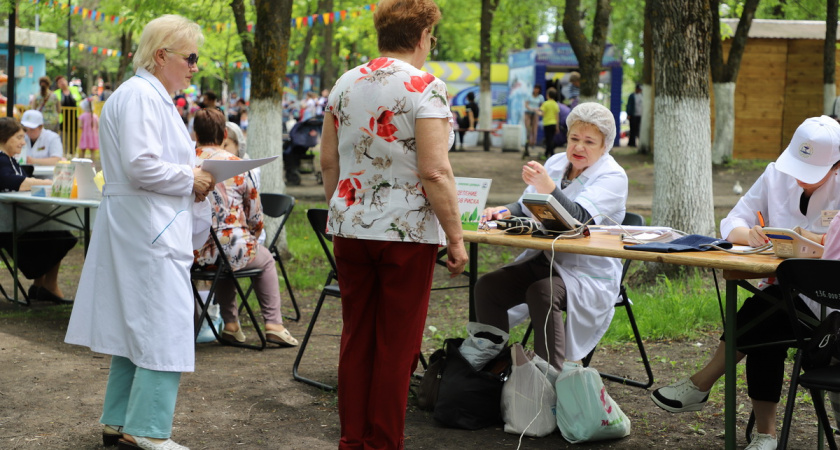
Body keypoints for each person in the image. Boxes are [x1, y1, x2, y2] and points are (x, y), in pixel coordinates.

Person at [320, 0, 468, 447]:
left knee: (356, 337)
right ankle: (383, 442)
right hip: (405, 234)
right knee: (397, 345)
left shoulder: (344, 84)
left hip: (350, 228)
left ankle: (352, 440)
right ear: (423, 36)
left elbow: (328, 160)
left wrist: (343, 210)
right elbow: (435, 170)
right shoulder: (427, 87)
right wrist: (457, 239)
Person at [64, 14, 215, 450]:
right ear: (161, 55)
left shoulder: (148, 96)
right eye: (189, 57)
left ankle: (118, 419)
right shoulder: (141, 97)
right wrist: (192, 177)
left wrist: (194, 181)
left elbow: (146, 164)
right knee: (162, 324)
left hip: (146, 221)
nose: (194, 66)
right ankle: (146, 428)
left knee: (138, 325)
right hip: (147, 225)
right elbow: (141, 164)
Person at [650, 115, 840, 450]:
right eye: (798, 167)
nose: (800, 179)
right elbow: (733, 221)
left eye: (812, 173)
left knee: (765, 314)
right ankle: (762, 434)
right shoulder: (775, 174)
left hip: (829, 304)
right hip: (782, 292)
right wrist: (748, 234)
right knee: (770, 315)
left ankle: (708, 386)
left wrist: (810, 238)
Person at [476, 102, 627, 371]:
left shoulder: (613, 176)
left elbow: (580, 219)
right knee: (488, 286)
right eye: (574, 139)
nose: (578, 148)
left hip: (587, 270)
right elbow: (524, 205)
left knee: (542, 292)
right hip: (545, 259)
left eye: (589, 141)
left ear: (605, 146)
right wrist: (502, 211)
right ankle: (491, 370)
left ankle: (550, 377)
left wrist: (549, 187)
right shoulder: (557, 162)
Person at [192, 108, 298, 347]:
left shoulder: (184, 165)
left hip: (192, 252)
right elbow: (255, 216)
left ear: (195, 134)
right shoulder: (238, 165)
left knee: (223, 260)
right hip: (232, 246)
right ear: (223, 134)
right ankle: (274, 324)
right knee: (264, 259)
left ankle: (231, 325)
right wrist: (254, 235)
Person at [0, 116, 77, 303]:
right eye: (18, 137)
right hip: (7, 226)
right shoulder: (1, 160)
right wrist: (50, 183)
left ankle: (42, 286)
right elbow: (16, 182)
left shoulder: (10, 160)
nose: (22, 142)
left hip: (18, 219)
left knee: (62, 234)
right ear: (4, 138)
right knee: (59, 236)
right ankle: (45, 286)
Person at [55, 75, 79, 156]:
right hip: (63, 119)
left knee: (74, 137)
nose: (62, 83)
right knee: (63, 136)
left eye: (63, 80)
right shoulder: (56, 93)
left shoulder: (74, 90)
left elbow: (79, 100)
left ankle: (73, 153)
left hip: (75, 118)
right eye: (59, 82)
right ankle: (64, 154)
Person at [540, 87, 560, 159]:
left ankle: (551, 155)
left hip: (547, 124)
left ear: (547, 95)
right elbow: (557, 116)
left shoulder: (545, 104)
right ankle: (548, 154)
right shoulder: (555, 104)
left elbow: (542, 114)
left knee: (548, 140)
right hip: (553, 123)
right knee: (551, 139)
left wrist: (537, 112)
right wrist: (557, 126)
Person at [523, 85, 544, 153]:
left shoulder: (540, 97)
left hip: (535, 113)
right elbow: (526, 104)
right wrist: (531, 108)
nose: (536, 90)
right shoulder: (529, 96)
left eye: (537, 89)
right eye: (535, 88)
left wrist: (538, 109)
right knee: (528, 128)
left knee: (534, 129)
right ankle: (528, 141)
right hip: (528, 113)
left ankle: (533, 142)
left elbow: (542, 105)